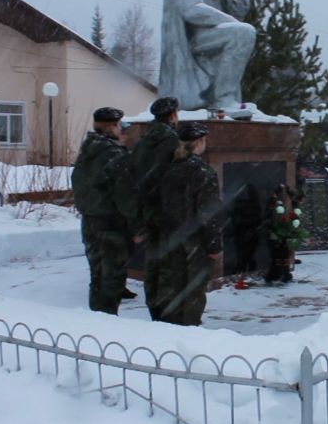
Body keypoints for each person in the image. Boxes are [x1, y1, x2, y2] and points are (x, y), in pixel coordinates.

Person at [149, 122, 224, 326]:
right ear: (199, 142)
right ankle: (188, 332)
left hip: (169, 238)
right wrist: (214, 245)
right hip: (194, 241)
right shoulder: (203, 172)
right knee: (193, 291)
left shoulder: (168, 169)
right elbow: (208, 212)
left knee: (171, 286)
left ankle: (169, 327)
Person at [71, 107, 140, 315]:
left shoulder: (88, 150)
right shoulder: (113, 155)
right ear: (112, 126)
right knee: (112, 280)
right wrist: (137, 227)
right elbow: (125, 196)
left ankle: (96, 320)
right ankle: (107, 327)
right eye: (119, 125)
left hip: (90, 222)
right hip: (111, 226)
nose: (121, 130)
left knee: (97, 275)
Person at [130, 97, 182, 314]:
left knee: (152, 260)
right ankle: (169, 310)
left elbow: (134, 173)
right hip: (167, 209)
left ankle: (153, 303)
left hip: (147, 208)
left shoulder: (144, 140)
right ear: (172, 115)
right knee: (170, 263)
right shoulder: (173, 140)